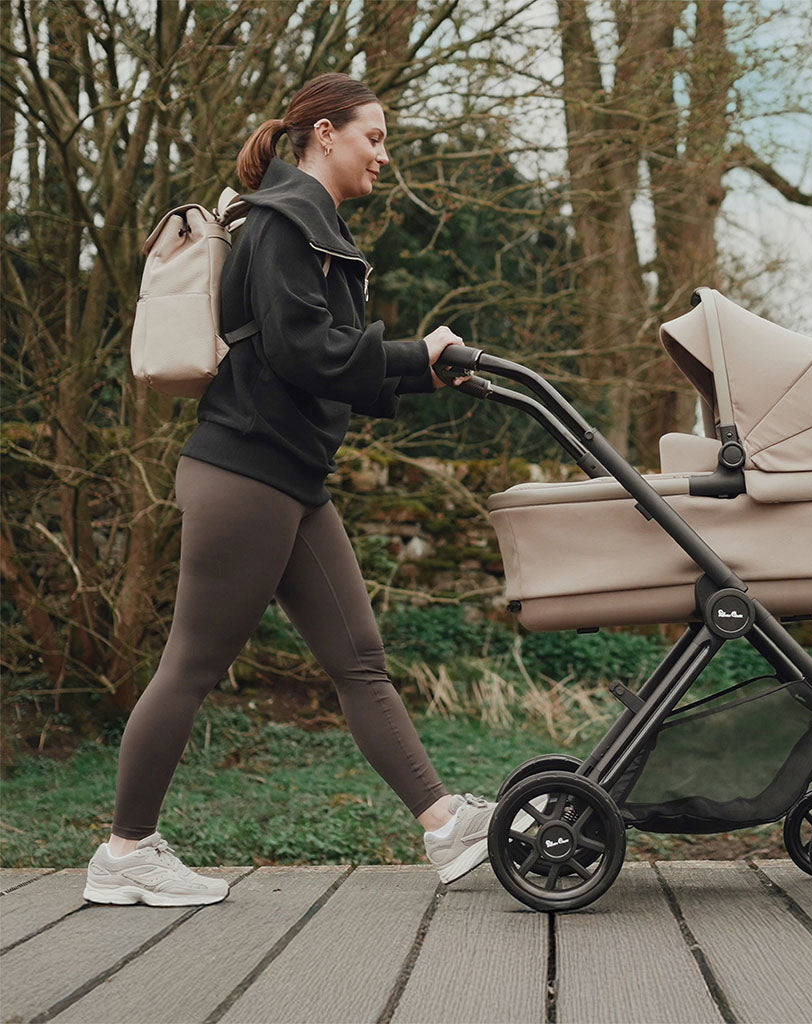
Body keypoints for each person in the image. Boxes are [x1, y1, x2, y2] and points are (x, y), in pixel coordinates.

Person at [83, 73, 509, 907]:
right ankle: (126, 850)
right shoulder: (284, 222)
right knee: (194, 663)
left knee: (358, 660)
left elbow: (325, 360)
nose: (384, 154)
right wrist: (415, 351)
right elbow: (305, 352)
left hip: (289, 476)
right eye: (373, 137)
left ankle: (442, 824)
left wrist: (423, 371)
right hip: (245, 472)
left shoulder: (309, 224)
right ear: (323, 134)